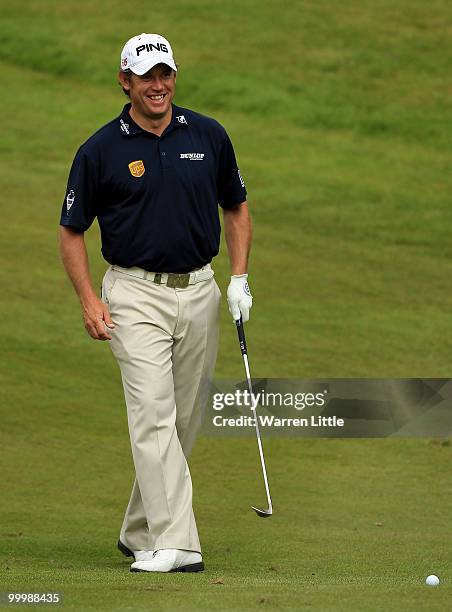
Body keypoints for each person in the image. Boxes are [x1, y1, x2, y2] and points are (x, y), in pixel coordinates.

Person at [58, 33, 253, 573]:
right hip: (134, 294)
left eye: (165, 74)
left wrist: (238, 279)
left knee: (182, 423)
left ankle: (139, 528)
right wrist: (88, 300)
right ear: (125, 81)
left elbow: (236, 208)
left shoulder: (208, 135)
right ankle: (176, 543)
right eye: (146, 77)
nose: (158, 85)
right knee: (153, 417)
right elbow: (71, 230)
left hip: (199, 292)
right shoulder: (100, 150)